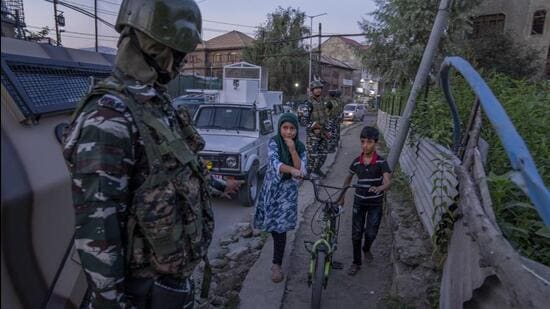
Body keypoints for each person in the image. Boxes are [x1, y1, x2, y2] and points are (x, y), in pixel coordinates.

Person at [62, 0, 242, 307]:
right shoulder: (109, 117)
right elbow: (98, 227)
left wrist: (218, 184)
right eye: (180, 53)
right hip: (142, 290)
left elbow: (178, 167)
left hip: (169, 283)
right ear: (158, 47)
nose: (181, 63)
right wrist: (110, 302)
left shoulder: (153, 103)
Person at [253, 113, 307, 283]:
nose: (288, 132)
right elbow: (275, 163)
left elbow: (301, 169)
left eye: (292, 128)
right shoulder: (273, 142)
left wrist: (292, 150)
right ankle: (276, 251)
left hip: (287, 192)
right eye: (285, 128)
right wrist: (291, 170)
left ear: (296, 130)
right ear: (280, 128)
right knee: (272, 226)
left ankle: (276, 264)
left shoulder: (300, 147)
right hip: (272, 189)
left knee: (280, 228)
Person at [338, 126, 392, 276]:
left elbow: (388, 181)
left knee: (371, 233)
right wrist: (341, 197)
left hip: (375, 204)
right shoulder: (356, 163)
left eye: (368, 142)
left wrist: (381, 188)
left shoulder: (381, 162)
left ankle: (366, 248)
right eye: (362, 142)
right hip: (359, 203)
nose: (365, 145)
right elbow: (348, 179)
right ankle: (356, 262)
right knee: (356, 234)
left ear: (375, 143)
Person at [305, 80, 330, 178]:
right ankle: (308, 172)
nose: (318, 90)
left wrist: (327, 130)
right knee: (312, 155)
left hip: (323, 133)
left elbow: (325, 117)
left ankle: (317, 170)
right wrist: (314, 128)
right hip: (313, 134)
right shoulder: (308, 103)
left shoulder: (323, 102)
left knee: (323, 154)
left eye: (320, 88)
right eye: (316, 88)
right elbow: (303, 121)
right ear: (312, 90)